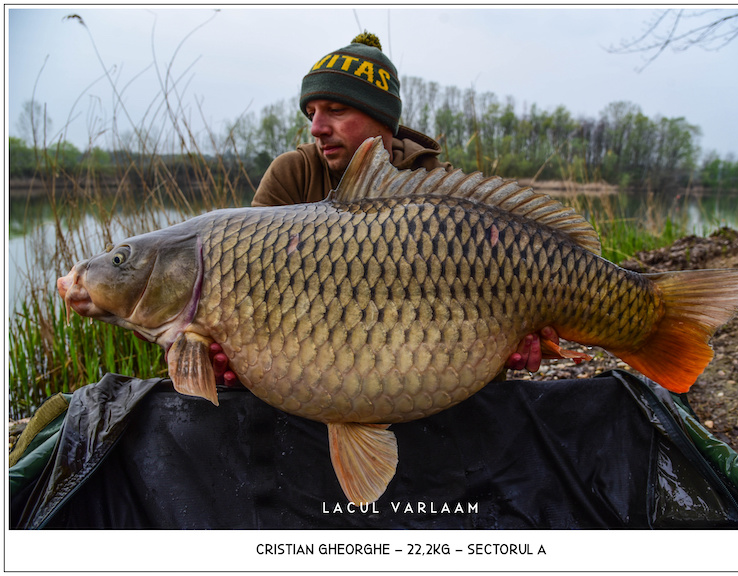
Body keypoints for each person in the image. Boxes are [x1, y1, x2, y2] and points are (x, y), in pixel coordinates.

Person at [213, 32, 563, 386]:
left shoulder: (434, 187)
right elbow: (245, 284)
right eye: (311, 113)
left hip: (420, 374)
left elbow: (480, 326)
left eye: (335, 110)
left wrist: (509, 346)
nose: (317, 128)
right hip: (314, 372)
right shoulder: (293, 174)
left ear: (382, 119)